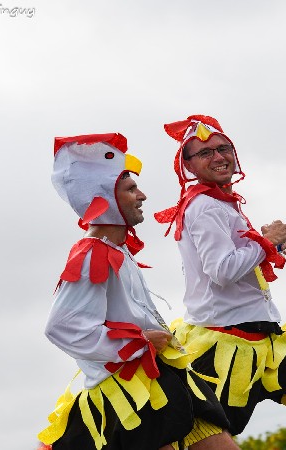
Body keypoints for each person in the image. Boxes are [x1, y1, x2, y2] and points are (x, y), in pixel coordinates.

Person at [155, 116, 286, 449]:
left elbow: (235, 265)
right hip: (222, 344)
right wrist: (265, 244)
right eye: (206, 153)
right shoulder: (204, 207)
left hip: (264, 339)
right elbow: (221, 271)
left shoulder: (220, 203)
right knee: (200, 440)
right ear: (188, 165)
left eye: (224, 148)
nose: (219, 157)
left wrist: (266, 247)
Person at [38, 133, 239, 450]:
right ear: (104, 198)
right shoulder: (92, 254)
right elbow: (61, 327)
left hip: (163, 377)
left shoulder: (117, 251)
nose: (142, 195)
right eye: (131, 189)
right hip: (133, 394)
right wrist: (138, 342)